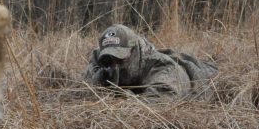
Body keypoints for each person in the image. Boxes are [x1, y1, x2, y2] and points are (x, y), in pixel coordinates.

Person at [83, 24, 217, 99]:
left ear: (134, 51)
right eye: (109, 59)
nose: (115, 65)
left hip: (205, 75)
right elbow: (82, 92)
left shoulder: (164, 68)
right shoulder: (100, 58)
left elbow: (157, 104)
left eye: (120, 58)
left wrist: (121, 97)